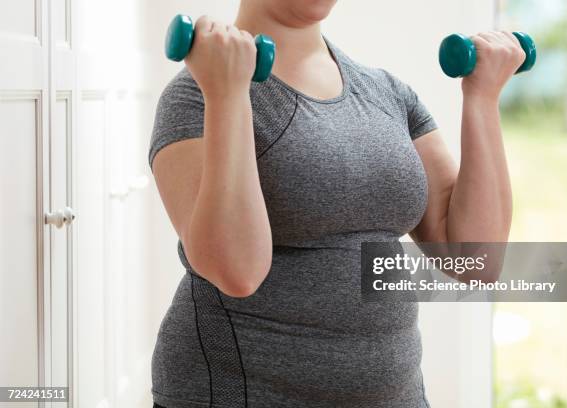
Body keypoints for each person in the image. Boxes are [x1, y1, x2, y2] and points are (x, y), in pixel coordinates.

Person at [148, 1, 523, 406]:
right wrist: (227, 94)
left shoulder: (388, 94)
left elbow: (475, 260)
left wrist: (482, 97)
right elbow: (234, 270)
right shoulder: (194, 95)